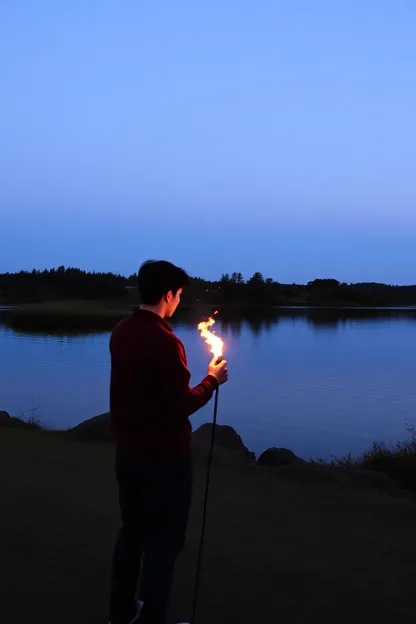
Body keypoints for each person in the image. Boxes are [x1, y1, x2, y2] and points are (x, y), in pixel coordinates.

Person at [109, 260, 228, 624]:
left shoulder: (122, 330)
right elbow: (181, 404)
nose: (179, 301)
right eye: (178, 294)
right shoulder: (165, 341)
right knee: (164, 541)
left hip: (128, 453)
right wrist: (212, 381)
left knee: (132, 534)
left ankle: (122, 613)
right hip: (164, 459)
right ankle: (153, 617)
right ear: (167, 294)